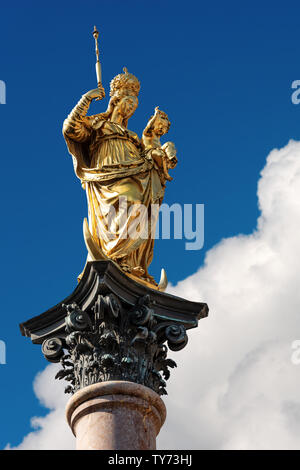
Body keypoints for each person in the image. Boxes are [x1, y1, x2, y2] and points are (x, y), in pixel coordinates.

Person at [63, 69, 165, 287]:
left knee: (140, 209)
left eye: (134, 105)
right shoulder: (97, 125)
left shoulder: (133, 136)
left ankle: (127, 261)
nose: (131, 109)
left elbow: (147, 155)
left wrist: (158, 153)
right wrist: (86, 99)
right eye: (129, 103)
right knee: (127, 204)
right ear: (117, 100)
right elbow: (71, 128)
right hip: (106, 175)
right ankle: (113, 255)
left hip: (133, 172)